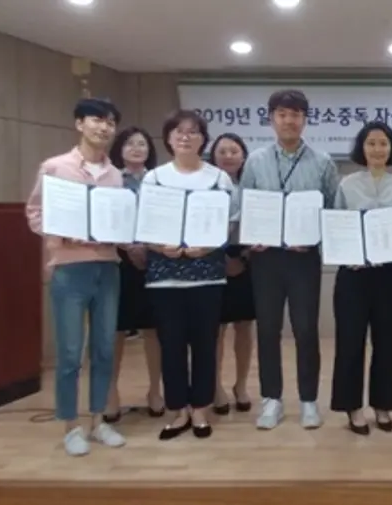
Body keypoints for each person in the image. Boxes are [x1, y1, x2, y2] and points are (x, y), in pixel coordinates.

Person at [24, 98, 127, 456]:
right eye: (97, 120)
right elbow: (35, 213)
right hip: (69, 268)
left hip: (108, 266)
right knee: (70, 352)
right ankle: (70, 426)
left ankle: (98, 421)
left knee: (104, 348)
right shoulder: (55, 167)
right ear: (79, 124)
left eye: (110, 122)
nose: (104, 127)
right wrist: (63, 234)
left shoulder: (115, 175)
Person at [240, 89, 340, 430]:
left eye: (296, 114)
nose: (289, 121)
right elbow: (244, 207)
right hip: (265, 259)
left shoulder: (323, 162)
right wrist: (252, 237)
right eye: (282, 114)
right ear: (271, 119)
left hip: (303, 259)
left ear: (305, 120)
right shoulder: (256, 160)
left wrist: (314, 237)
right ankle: (272, 399)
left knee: (306, 329)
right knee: (268, 329)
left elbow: (332, 211)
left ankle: (309, 400)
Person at [143, 109, 239, 441]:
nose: (185, 137)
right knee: (170, 345)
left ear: (203, 139)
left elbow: (229, 223)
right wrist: (158, 245)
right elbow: (144, 224)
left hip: (207, 275)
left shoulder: (218, 178)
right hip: (164, 276)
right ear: (168, 138)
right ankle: (177, 409)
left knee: (204, 344)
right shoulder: (154, 178)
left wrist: (209, 245)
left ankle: (200, 408)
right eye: (178, 131)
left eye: (193, 131)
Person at [330, 121, 392, 435]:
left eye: (383, 143)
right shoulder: (346, 185)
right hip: (353, 275)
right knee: (350, 342)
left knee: (387, 342)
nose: (377, 149)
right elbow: (337, 228)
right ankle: (352, 407)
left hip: (388, 275)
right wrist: (347, 255)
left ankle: (383, 405)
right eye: (371, 143)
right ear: (361, 148)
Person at [104, 126, 164, 423]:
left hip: (155, 260)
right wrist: (127, 246)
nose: (137, 148)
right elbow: (104, 218)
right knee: (116, 329)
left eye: (142, 143)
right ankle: (111, 393)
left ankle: (155, 391)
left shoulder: (159, 181)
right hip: (118, 259)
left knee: (154, 329)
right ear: (120, 149)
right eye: (130, 143)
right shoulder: (110, 179)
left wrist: (148, 247)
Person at [208, 133, 255, 416]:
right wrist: (223, 257)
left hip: (246, 260)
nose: (228, 156)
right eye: (222, 151)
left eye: (234, 151)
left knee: (244, 327)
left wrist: (244, 256)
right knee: (216, 329)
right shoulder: (206, 185)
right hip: (212, 259)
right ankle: (216, 386)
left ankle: (241, 385)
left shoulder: (252, 186)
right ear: (213, 156)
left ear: (243, 156)